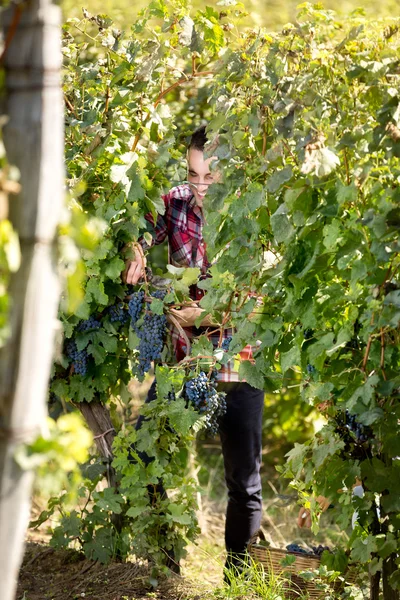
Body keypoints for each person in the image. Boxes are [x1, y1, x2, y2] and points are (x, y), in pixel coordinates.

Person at [124, 125, 264, 576]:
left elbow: (252, 303)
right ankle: (168, 569)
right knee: (145, 449)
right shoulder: (178, 199)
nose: (200, 186)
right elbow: (140, 225)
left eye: (210, 178)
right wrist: (136, 249)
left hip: (237, 359)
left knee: (243, 483)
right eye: (194, 174)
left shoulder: (252, 216)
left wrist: (197, 318)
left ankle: (237, 580)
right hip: (187, 361)